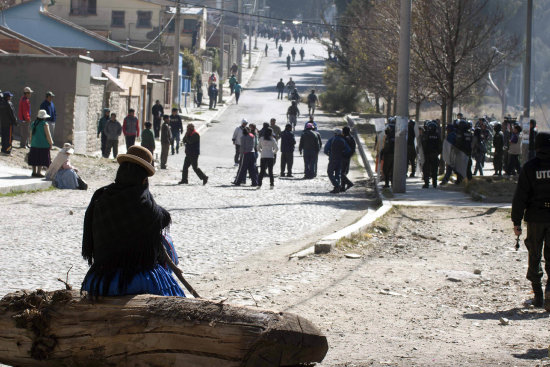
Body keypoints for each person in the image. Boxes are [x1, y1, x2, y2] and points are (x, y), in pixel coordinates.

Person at [81, 145, 185, 297]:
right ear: (144, 179)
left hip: (101, 279)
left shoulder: (100, 198)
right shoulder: (149, 209)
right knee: (166, 241)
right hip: (138, 280)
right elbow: (162, 223)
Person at [511, 132, 550, 310]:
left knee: (534, 255)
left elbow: (520, 196)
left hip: (535, 218)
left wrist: (516, 221)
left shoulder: (530, 167)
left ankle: (538, 296)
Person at [325, 129, 351, 193]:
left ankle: (337, 185)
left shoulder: (332, 139)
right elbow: (348, 150)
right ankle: (337, 189)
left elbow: (326, 149)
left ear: (335, 134)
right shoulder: (343, 140)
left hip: (333, 159)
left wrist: (329, 155)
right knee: (337, 173)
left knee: (330, 172)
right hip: (340, 159)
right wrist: (342, 154)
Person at [29, 109, 53, 177]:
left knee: (34, 159)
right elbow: (48, 135)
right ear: (44, 117)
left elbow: (31, 134)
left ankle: (34, 172)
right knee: (41, 159)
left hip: (34, 144)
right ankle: (39, 172)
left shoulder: (33, 123)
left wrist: (31, 142)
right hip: (43, 145)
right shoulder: (45, 124)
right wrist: (51, 143)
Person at [421, 120, 441, 188]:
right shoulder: (437, 135)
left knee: (426, 169)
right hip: (434, 154)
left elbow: (423, 145)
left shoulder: (426, 135)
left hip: (427, 155)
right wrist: (438, 153)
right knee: (434, 169)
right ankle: (434, 183)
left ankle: (426, 183)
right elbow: (440, 145)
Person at [0, 91, 17, 155]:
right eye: (9, 96)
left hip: (3, 123)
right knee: (9, 138)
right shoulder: (9, 104)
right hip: (9, 124)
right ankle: (8, 151)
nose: (10, 97)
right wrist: (15, 122)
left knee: (4, 136)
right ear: (7, 97)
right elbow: (12, 114)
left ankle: (3, 149)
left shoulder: (1, 104)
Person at [341, 126, 356, 192]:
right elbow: (353, 149)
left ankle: (349, 183)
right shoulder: (352, 138)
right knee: (344, 172)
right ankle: (343, 187)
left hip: (343, 157)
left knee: (341, 172)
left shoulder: (344, 138)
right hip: (348, 157)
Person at [382, 119, 396, 188]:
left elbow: (386, 148)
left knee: (386, 170)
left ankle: (387, 183)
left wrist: (382, 153)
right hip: (395, 155)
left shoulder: (388, 137)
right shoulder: (396, 136)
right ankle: (393, 183)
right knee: (392, 170)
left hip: (388, 155)